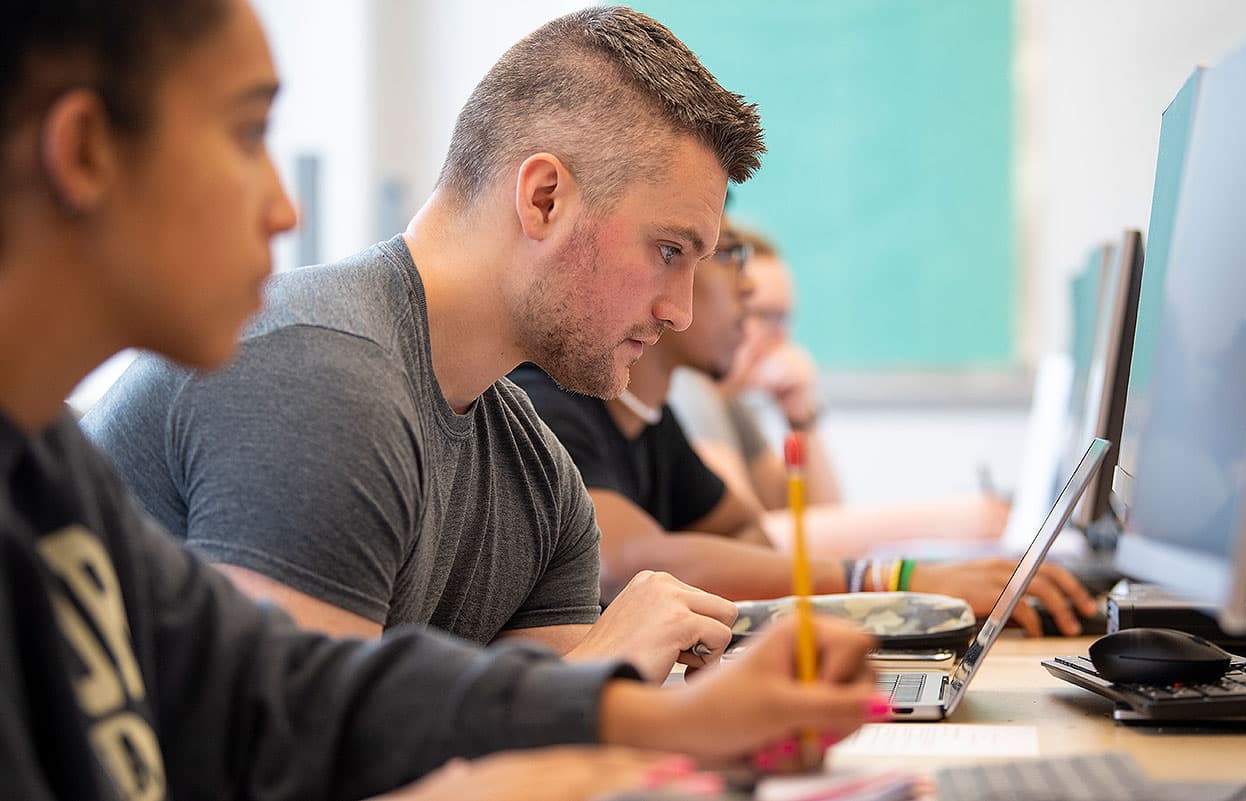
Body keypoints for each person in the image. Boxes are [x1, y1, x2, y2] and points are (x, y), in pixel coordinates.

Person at [0, 2, 882, 798]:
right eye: (246, 133)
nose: (281, 208)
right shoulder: (318, 372)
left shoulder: (44, 461)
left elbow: (299, 694)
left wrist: (675, 725)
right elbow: (296, 761)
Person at [83, 3, 764, 683]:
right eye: (669, 250)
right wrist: (604, 671)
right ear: (545, 199)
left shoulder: (540, 477)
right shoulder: (319, 378)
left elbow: (548, 745)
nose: (679, 310)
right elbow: (301, 756)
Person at [512, 223, 1098, 636]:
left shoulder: (652, 424)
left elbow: (748, 535)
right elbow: (630, 560)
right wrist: (888, 580)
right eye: (726, 254)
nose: (745, 291)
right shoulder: (545, 401)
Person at [669, 227, 1012, 555]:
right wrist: (940, 521)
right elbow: (751, 541)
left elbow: (819, 514)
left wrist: (801, 417)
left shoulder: (732, 406)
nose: (782, 339)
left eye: (786, 320)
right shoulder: (689, 389)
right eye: (766, 316)